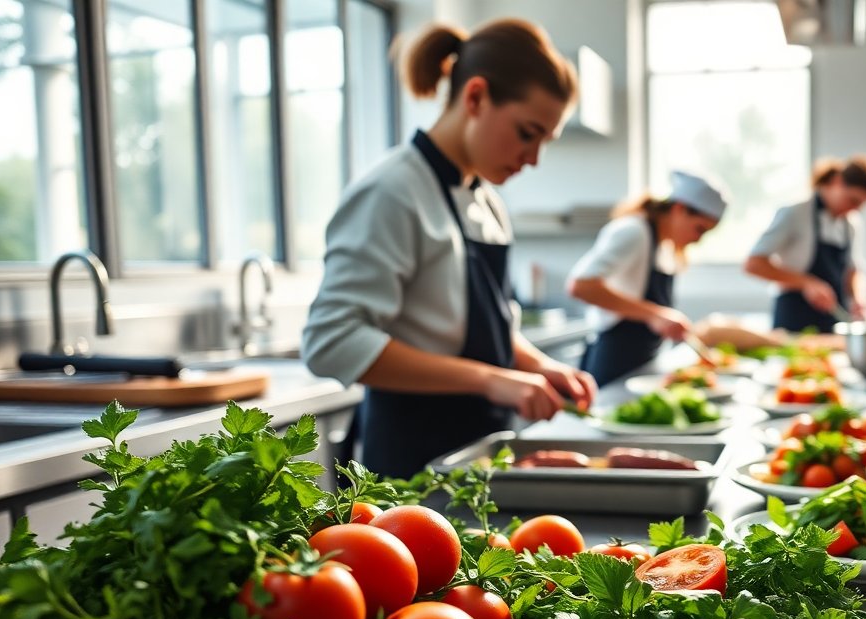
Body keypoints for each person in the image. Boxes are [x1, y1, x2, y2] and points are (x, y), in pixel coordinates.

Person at [302, 18, 596, 480]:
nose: (533, 158)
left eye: (544, 141)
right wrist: (491, 379)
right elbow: (331, 342)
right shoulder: (392, 191)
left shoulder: (488, 203)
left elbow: (487, 330)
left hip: (482, 455)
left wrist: (541, 367)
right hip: (410, 464)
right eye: (526, 133)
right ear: (475, 97)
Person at [567, 171, 728, 387]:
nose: (698, 239)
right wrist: (655, 315)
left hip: (643, 364)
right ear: (679, 209)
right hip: (614, 362)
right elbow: (580, 285)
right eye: (699, 229)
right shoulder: (633, 231)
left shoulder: (664, 246)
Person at [744, 155, 866, 333]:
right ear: (836, 181)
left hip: (833, 322)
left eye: (861, 205)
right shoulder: (795, 213)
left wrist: (859, 298)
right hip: (793, 318)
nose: (855, 209)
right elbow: (753, 264)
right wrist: (806, 283)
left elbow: (853, 269)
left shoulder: (851, 224)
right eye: (853, 200)